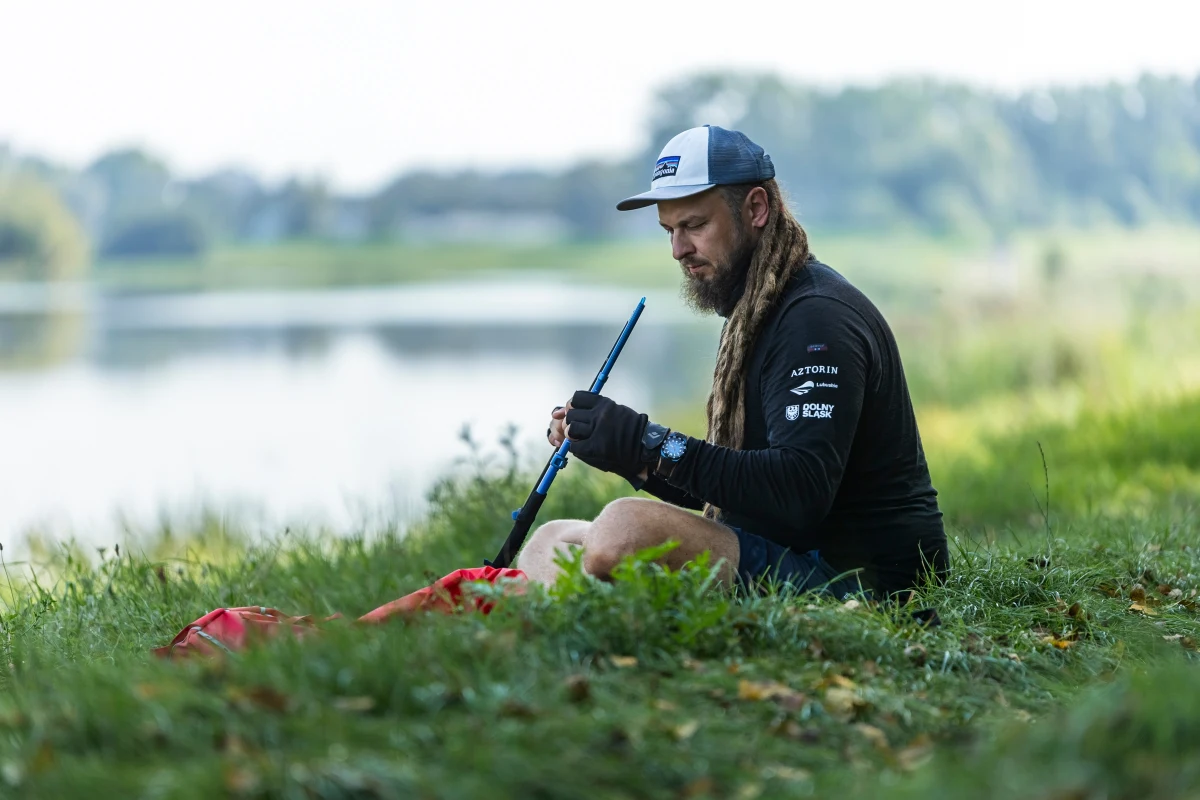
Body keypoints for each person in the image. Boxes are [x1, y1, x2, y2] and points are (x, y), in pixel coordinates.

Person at [517, 125, 947, 599]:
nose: (678, 250)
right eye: (670, 231)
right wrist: (626, 454)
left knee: (623, 525)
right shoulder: (755, 310)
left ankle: (584, 608)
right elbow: (739, 492)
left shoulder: (816, 319)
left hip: (864, 580)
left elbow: (798, 491)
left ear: (756, 209)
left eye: (694, 226)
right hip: (789, 546)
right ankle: (583, 612)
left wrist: (647, 441)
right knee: (551, 538)